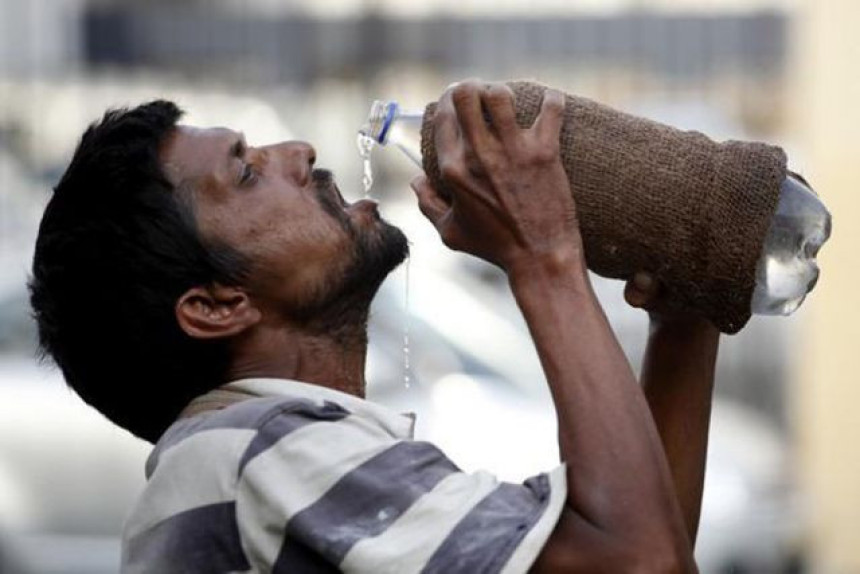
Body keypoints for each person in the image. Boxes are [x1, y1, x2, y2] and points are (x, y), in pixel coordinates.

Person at [29, 81, 720, 573]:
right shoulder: (262, 453)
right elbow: (637, 559)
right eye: (245, 172)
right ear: (216, 305)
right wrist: (542, 256)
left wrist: (681, 324)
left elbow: (636, 540)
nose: (297, 152)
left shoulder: (246, 456)